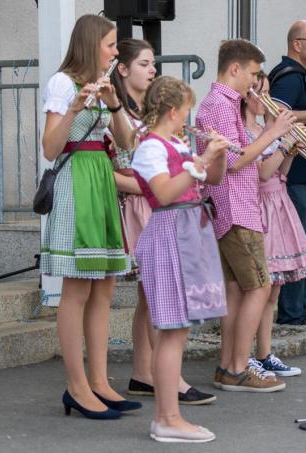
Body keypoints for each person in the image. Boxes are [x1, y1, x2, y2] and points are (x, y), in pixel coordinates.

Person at [41, 14, 140, 420]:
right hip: (76, 182)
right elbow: (50, 147)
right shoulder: (63, 82)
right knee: (77, 287)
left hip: (101, 180)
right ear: (91, 43)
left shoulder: (108, 84)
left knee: (104, 286)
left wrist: (114, 103)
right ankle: (76, 386)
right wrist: (77, 105)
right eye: (111, 44)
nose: (116, 52)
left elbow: (127, 142)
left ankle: (99, 381)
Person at [108, 38, 215, 405]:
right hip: (141, 205)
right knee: (158, 301)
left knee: (151, 298)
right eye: (144, 63)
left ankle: (146, 373)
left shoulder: (148, 116)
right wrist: (148, 187)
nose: (151, 69)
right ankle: (161, 379)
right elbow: (116, 169)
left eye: (153, 64)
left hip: (161, 206)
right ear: (122, 69)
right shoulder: (119, 112)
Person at [131, 75, 230, 442]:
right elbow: (164, 192)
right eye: (186, 111)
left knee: (179, 329)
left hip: (188, 232)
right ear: (173, 111)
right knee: (171, 329)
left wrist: (216, 157)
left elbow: (211, 180)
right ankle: (167, 418)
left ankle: (169, 417)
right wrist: (200, 158)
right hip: (169, 232)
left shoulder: (176, 142)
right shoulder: (151, 148)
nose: (188, 119)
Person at [196, 39, 296, 392]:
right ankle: (239, 367)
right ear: (234, 68)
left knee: (238, 290)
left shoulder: (223, 103)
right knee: (260, 285)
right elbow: (235, 160)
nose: (255, 83)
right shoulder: (222, 106)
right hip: (235, 206)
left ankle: (228, 367)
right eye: (253, 74)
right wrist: (273, 132)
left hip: (232, 206)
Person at [243, 72, 306, 378]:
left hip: (279, 203)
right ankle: (245, 356)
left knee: (274, 291)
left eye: (268, 92)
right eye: (260, 93)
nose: (265, 99)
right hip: (260, 208)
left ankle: (265, 353)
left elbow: (281, 171)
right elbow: (261, 173)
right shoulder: (245, 131)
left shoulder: (264, 127)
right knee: (261, 286)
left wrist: (293, 148)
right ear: (245, 95)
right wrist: (283, 143)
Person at [267, 20, 306, 328]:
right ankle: (293, 313)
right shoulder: (289, 78)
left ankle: (302, 309)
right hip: (297, 172)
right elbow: (273, 115)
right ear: (297, 44)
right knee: (299, 243)